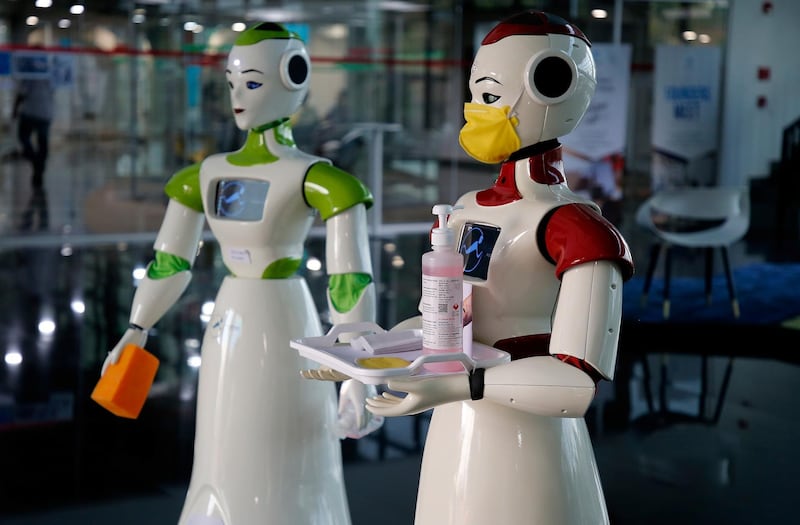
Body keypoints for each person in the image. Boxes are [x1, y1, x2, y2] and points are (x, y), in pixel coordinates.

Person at [306, 10, 635, 524]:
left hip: (533, 447)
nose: (476, 111)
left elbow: (575, 385)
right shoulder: (466, 209)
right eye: (477, 95)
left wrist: (463, 386)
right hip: (454, 437)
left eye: (489, 96)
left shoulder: (578, 231)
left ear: (548, 87)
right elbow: (446, 325)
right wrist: (371, 351)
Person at [95, 23, 381, 524]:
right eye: (232, 84)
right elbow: (170, 261)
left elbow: (349, 278)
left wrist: (357, 373)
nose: (238, 98)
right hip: (229, 325)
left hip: (287, 323)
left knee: (291, 454)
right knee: (220, 442)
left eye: (251, 82)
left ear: (295, 78)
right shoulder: (206, 175)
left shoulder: (319, 179)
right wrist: (136, 329)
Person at [13, 74, 54, 191]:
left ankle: (35, 162)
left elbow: (22, 93)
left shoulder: (29, 73)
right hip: (45, 113)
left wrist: (15, 109)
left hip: (30, 112)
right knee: (43, 143)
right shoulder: (49, 74)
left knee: (23, 137)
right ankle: (39, 167)